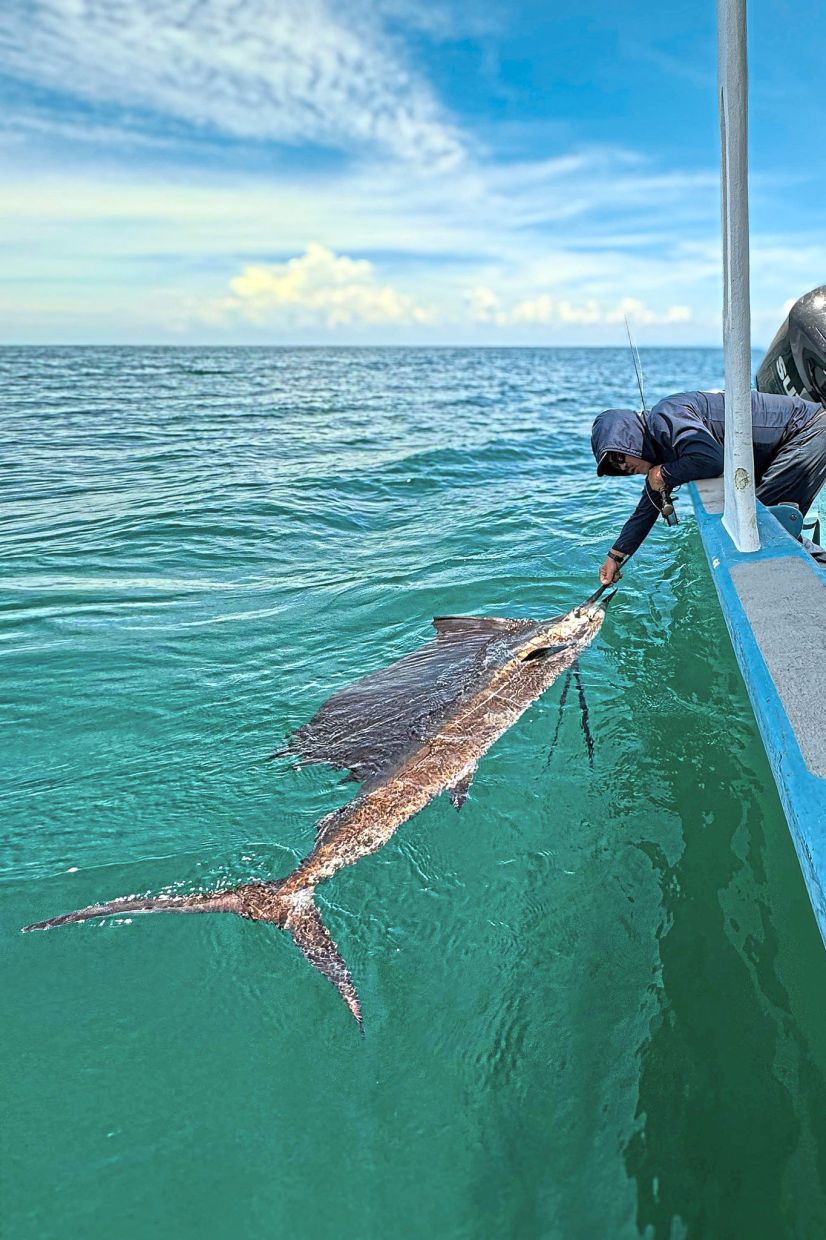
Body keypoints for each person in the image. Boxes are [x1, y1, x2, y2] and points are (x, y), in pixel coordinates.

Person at [592, 389, 826, 585]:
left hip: (806, 431)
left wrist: (665, 473)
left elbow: (711, 459)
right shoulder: (662, 445)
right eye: (614, 466)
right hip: (799, 434)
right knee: (764, 528)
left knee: (762, 528)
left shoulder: (663, 418)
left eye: (619, 456)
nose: (623, 467)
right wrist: (616, 556)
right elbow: (646, 510)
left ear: (629, 438)